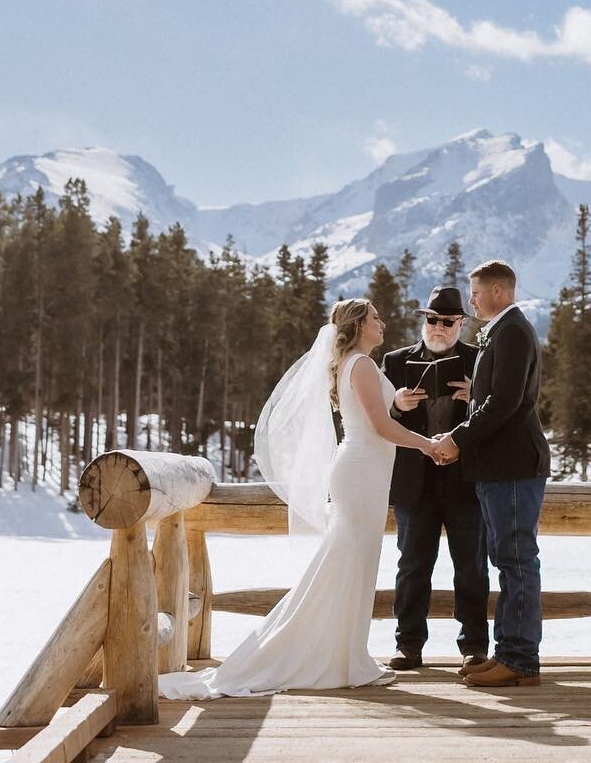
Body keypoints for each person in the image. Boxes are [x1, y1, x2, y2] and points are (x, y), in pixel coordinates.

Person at [158, 297, 441, 698]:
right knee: (348, 563)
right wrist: (427, 444)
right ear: (359, 325)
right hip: (360, 473)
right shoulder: (360, 364)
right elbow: (378, 427)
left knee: (355, 565)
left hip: (367, 474)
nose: (383, 324)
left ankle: (348, 655)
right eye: (376, 318)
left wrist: (398, 401)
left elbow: (377, 412)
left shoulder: (360, 364)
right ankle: (339, 659)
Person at [431, 259, 550, 688]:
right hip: (500, 467)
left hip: (514, 466)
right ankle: (507, 651)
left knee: (516, 561)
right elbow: (491, 401)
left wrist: (458, 439)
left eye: (476, 292)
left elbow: (503, 402)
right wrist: (458, 435)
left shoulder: (513, 331)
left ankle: (519, 659)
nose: (472, 300)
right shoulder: (501, 331)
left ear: (498, 291)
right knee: (507, 560)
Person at [380, 284, 488, 671]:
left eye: (446, 321)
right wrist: (395, 403)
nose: (437, 327)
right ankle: (408, 645)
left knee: (472, 567)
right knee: (412, 566)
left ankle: (474, 647)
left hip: (467, 482)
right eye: (431, 319)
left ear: (461, 323)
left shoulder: (480, 361)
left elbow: (501, 413)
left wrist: (475, 396)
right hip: (415, 480)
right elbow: (371, 415)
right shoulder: (394, 362)